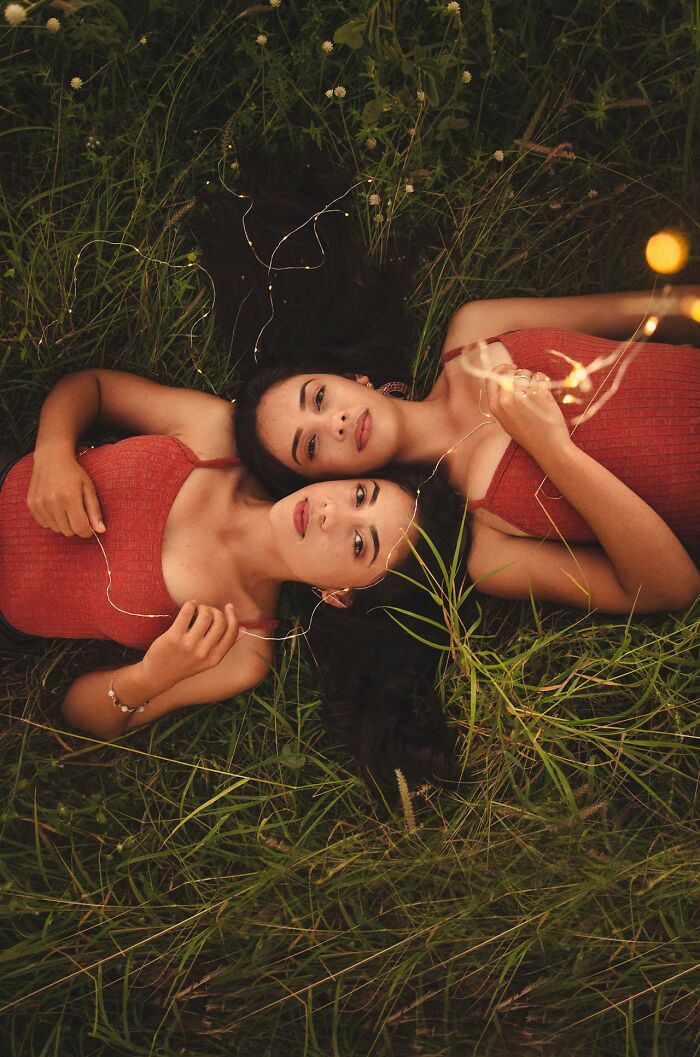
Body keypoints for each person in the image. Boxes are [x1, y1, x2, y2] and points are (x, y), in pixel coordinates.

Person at [0, 368, 463, 788]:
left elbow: (84, 716)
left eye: (360, 544)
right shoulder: (215, 439)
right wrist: (54, 454)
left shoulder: (241, 649)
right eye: (361, 495)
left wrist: (149, 677)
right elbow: (93, 388)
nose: (331, 513)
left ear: (338, 595)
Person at [232, 290, 700, 615]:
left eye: (318, 398)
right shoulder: (487, 548)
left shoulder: (476, 329)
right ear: (321, 479)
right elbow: (665, 590)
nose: (333, 422)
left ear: (353, 378)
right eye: (310, 446)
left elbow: (657, 308)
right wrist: (549, 447)